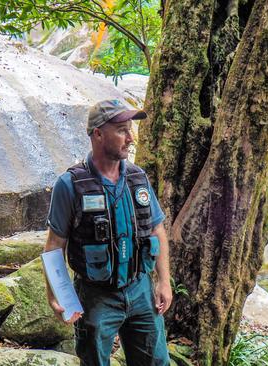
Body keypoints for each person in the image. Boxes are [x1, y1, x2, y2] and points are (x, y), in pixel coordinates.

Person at [44, 99, 172, 366]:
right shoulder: (70, 185)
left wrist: (163, 281)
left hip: (140, 289)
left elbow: (157, 228)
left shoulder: (139, 178)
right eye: (122, 130)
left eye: (131, 130)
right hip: (96, 296)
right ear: (98, 133)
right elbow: (55, 244)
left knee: (156, 362)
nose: (131, 138)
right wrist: (54, 294)